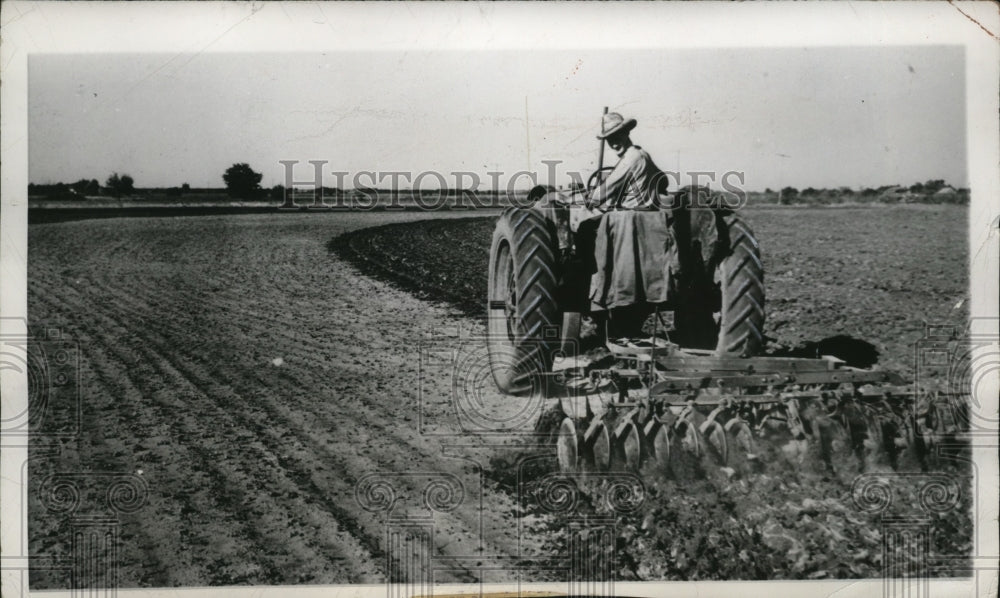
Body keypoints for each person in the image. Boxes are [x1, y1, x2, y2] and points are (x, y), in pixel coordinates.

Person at [580, 113, 673, 341]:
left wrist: (591, 198)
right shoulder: (642, 155)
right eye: (609, 138)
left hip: (632, 220)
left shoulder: (632, 157)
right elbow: (663, 181)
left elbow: (606, 189)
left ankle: (593, 294)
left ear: (627, 132)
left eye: (617, 135)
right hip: (649, 219)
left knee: (584, 231)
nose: (613, 142)